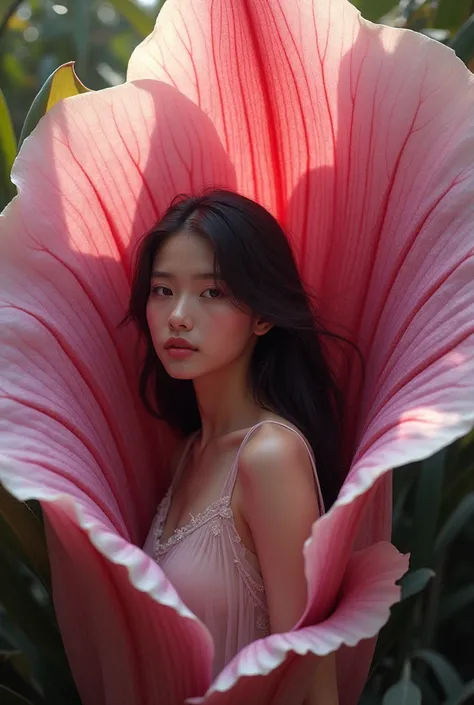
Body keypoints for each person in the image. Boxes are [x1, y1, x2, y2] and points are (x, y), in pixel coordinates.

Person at [124, 189, 359, 703]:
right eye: (162, 290)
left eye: (211, 293)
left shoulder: (269, 457)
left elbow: (311, 675)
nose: (179, 316)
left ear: (263, 316)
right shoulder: (187, 453)